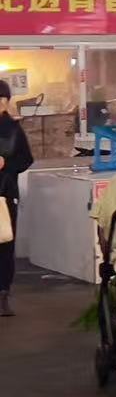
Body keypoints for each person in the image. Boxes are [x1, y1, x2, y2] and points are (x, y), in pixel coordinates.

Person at [0, 79, 29, 317]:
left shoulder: (14, 129)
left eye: (2, 99)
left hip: (4, 195)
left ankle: (3, 295)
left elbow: (26, 159)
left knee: (5, 245)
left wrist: (6, 165)